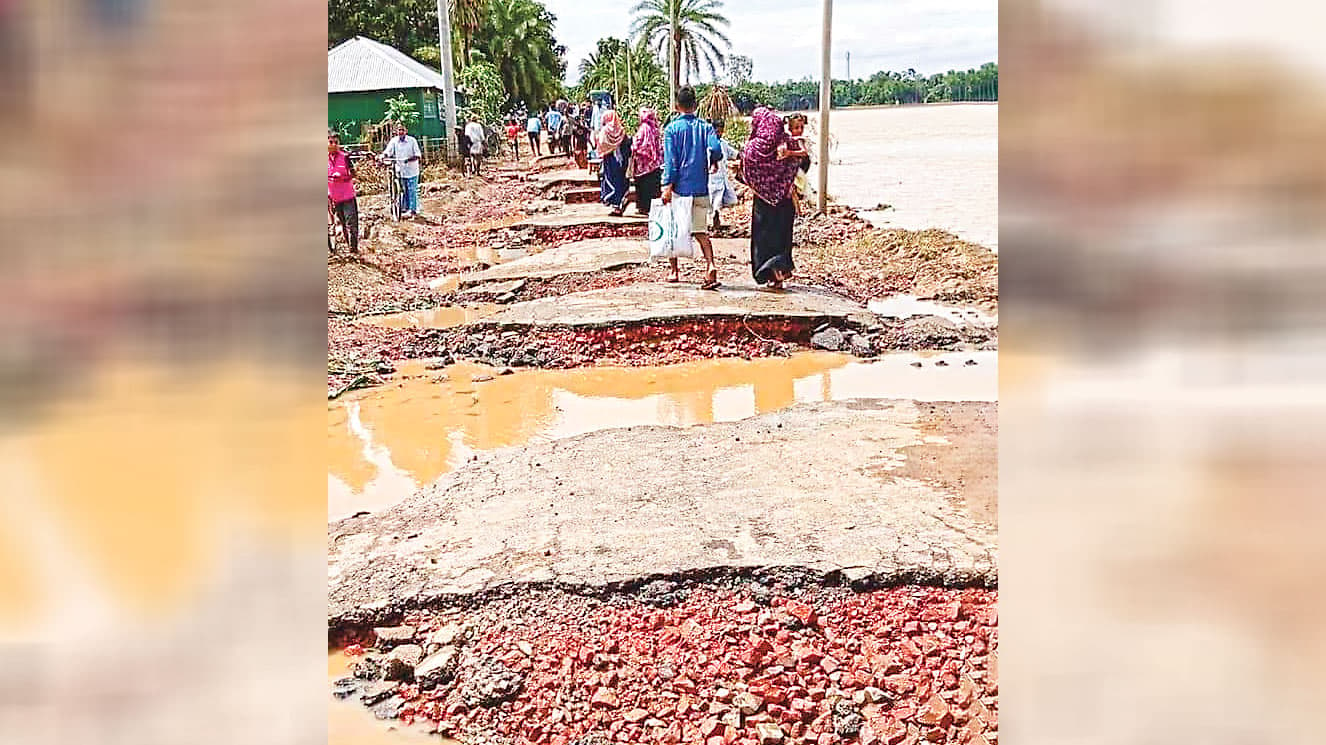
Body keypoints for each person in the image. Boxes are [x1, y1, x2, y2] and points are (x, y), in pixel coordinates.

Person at [661, 85, 724, 289]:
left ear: (677, 105)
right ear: (695, 105)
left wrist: (667, 185)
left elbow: (670, 161)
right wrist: (713, 160)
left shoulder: (671, 129)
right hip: (700, 187)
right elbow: (716, 148)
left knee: (674, 230)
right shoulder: (705, 127)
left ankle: (674, 271)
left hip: (680, 188)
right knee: (700, 231)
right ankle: (710, 265)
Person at [741, 107, 805, 290]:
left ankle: (768, 273)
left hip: (762, 202)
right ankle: (779, 273)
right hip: (785, 200)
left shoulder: (751, 149)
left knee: (763, 238)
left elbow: (747, 174)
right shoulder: (787, 142)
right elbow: (802, 163)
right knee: (782, 237)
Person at [327, 132, 359, 254]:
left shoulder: (345, 158)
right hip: (334, 198)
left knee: (352, 223)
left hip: (347, 196)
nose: (334, 145)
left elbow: (353, 174)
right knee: (343, 223)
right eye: (331, 142)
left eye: (336, 142)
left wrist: (343, 176)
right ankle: (348, 245)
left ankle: (354, 250)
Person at [381, 122, 422, 218]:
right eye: (399, 130)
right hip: (400, 171)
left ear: (406, 131)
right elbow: (388, 151)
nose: (401, 132)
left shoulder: (412, 141)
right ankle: (403, 208)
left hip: (412, 170)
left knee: (412, 190)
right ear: (396, 131)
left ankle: (413, 210)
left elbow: (417, 155)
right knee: (403, 190)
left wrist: (409, 159)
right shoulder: (394, 141)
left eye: (402, 130)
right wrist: (383, 156)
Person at [596, 109, 632, 216]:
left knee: (611, 181)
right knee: (621, 181)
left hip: (610, 160)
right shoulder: (621, 131)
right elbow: (627, 145)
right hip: (622, 161)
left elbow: (601, 144)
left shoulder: (605, 131)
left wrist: (607, 149)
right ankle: (620, 202)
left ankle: (616, 206)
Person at [707, 118, 741, 232]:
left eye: (721, 131)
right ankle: (713, 221)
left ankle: (716, 219)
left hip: (722, 177)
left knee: (720, 201)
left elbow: (735, 154)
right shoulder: (707, 145)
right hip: (711, 178)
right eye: (717, 131)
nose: (719, 134)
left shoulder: (723, 144)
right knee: (713, 201)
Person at [631, 107, 664, 216]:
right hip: (654, 164)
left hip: (643, 164)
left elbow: (640, 145)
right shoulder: (654, 128)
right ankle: (653, 209)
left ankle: (644, 207)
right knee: (653, 186)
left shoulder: (644, 128)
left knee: (643, 186)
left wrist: (633, 145)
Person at [785, 113, 812, 215]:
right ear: (790, 128)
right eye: (796, 128)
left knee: (793, 188)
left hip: (800, 166)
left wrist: (790, 153)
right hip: (795, 165)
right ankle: (797, 211)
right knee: (792, 189)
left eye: (801, 127)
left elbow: (804, 152)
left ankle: (798, 212)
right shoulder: (789, 138)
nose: (800, 130)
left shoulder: (799, 139)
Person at [570, 103, 591, 169]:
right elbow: (572, 138)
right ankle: (580, 165)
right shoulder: (574, 129)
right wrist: (572, 146)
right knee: (577, 155)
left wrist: (591, 143)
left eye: (578, 120)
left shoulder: (584, 128)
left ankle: (584, 165)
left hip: (583, 143)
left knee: (584, 154)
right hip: (578, 144)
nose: (577, 122)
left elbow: (587, 136)